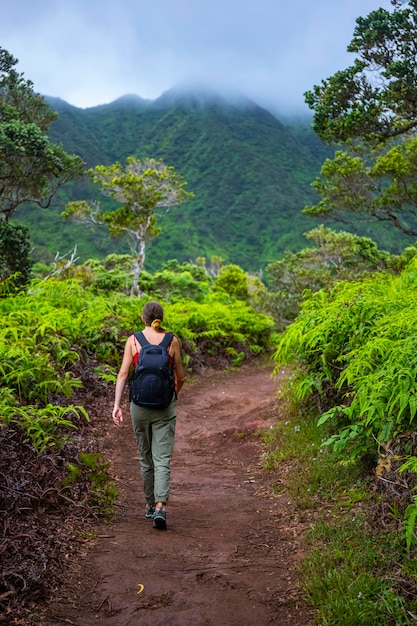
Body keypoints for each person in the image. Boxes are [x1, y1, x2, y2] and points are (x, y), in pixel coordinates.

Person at [112, 301, 185, 530]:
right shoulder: (172, 340)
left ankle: (150, 504)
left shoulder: (133, 340)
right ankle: (161, 507)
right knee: (162, 458)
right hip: (165, 406)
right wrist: (172, 395)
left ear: (142, 318)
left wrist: (117, 405)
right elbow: (180, 377)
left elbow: (124, 373)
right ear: (161, 318)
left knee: (146, 457)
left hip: (139, 407)